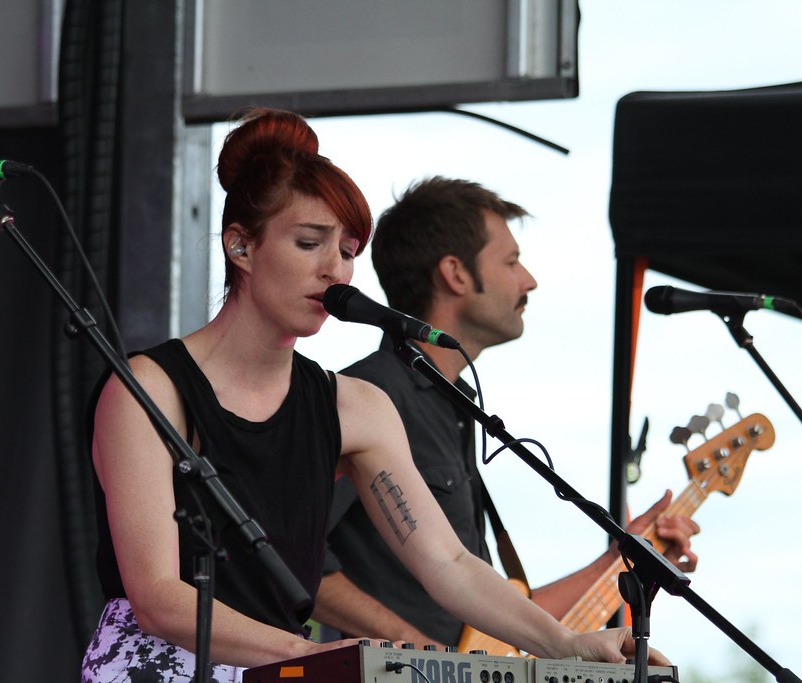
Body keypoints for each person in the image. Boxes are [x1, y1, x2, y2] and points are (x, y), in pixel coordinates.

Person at [81, 112, 668, 683]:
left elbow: (449, 563)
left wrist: (566, 644)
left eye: (347, 251)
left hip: (283, 668)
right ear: (241, 246)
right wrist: (315, 654)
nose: (335, 270)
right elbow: (158, 597)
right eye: (309, 243)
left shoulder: (354, 406)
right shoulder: (149, 389)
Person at [313, 177, 701, 651]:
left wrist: (623, 559)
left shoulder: (454, 409)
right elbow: (293, 554)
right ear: (456, 274)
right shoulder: (370, 395)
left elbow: (489, 625)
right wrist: (413, 645)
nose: (528, 280)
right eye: (511, 261)